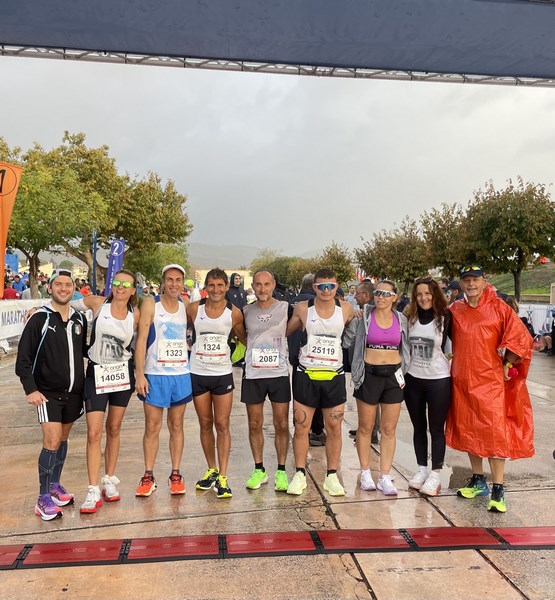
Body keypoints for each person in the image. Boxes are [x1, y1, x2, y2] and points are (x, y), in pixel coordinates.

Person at [446, 265, 534, 513]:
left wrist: (508, 363)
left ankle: (498, 488)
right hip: (463, 380)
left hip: (490, 382)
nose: (470, 284)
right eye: (466, 280)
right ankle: (478, 480)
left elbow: (521, 337)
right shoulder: (455, 310)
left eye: (475, 280)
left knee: (494, 434)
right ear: (461, 283)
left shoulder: (498, 308)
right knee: (469, 429)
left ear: (484, 281)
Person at [15, 269, 87, 521]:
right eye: (58, 284)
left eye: (68, 284)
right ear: (50, 288)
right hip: (47, 393)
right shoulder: (39, 319)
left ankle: (55, 485)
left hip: (74, 393)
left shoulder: (79, 319)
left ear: (73, 289)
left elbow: (83, 351)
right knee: (52, 441)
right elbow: (23, 359)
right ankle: (42, 498)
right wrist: (31, 389)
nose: (63, 288)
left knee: (63, 440)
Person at [72, 270, 140, 513]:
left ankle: (109, 480)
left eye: (126, 284)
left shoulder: (135, 314)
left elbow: (141, 343)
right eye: (117, 283)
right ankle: (92, 489)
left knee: (114, 428)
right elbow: (65, 305)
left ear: (133, 290)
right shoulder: (97, 303)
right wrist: (39, 309)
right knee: (93, 433)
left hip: (122, 375)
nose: (120, 287)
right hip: (97, 373)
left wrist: (141, 373)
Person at [285, 268, 355, 497]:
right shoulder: (303, 308)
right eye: (321, 286)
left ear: (336, 287)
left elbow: (357, 328)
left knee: (334, 427)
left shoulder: (346, 309)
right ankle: (299, 474)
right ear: (314, 287)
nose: (326, 291)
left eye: (330, 286)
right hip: (307, 374)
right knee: (301, 426)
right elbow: (284, 331)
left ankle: (331, 475)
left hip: (334, 376)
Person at [134, 264, 192, 498]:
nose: (174, 284)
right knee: (152, 426)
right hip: (155, 374)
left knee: (177, 425)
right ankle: (148, 475)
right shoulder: (151, 304)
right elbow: (141, 339)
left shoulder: (186, 305)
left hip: (180, 374)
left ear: (183, 284)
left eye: (178, 280)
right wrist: (139, 373)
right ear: (163, 282)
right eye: (170, 279)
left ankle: (175, 474)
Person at [188, 268, 246, 498]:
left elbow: (244, 338)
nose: (216, 289)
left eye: (220, 285)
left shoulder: (234, 313)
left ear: (226, 287)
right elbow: (180, 330)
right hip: (198, 372)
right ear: (205, 287)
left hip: (222, 374)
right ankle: (211, 469)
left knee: (222, 424)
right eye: (211, 285)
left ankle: (223, 475)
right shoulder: (194, 309)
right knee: (205, 423)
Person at [349, 280, 410, 496]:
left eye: (385, 294)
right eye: (377, 293)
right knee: (365, 427)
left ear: (395, 297)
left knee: (389, 429)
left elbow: (407, 346)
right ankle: (365, 471)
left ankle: (385, 475)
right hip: (369, 374)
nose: (380, 297)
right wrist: (350, 319)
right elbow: (347, 340)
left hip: (393, 376)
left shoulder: (401, 319)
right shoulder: (364, 317)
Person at [241, 270, 290, 492]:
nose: (262, 289)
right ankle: (259, 469)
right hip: (253, 375)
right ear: (253, 286)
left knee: (282, 424)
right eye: (258, 284)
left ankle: (281, 470)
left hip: (279, 374)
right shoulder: (246, 310)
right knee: (254, 424)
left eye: (267, 284)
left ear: (273, 285)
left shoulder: (285, 307)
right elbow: (240, 334)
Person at [404, 277, 452, 496]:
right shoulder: (410, 317)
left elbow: (459, 345)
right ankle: (422, 469)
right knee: (418, 427)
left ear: (435, 295)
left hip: (439, 380)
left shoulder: (445, 317)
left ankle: (435, 474)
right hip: (413, 379)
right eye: (419, 294)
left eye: (427, 293)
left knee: (436, 429)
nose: (423, 298)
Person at [288, 274, 327, 447]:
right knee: (317, 397)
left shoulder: (292, 302)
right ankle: (316, 431)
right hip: (314, 358)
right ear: (314, 286)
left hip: (295, 357)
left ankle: (300, 426)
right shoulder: (317, 304)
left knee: (299, 396)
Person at [348, 281, 380, 445]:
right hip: (364, 364)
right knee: (366, 399)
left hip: (369, 364)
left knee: (371, 399)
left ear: (366, 295)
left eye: (358, 293)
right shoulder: (364, 313)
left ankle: (371, 431)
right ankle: (365, 427)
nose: (355, 296)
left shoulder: (371, 315)